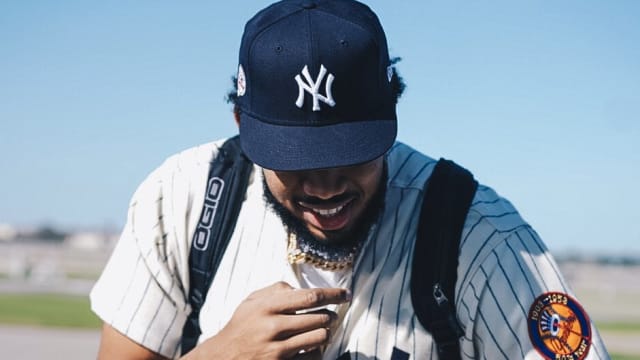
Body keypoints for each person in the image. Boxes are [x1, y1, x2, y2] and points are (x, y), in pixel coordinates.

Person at [90, 0, 610, 359]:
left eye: (350, 154)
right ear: (242, 127)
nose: (324, 187)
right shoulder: (182, 198)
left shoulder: (482, 238)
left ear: (394, 112)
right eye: (294, 159)